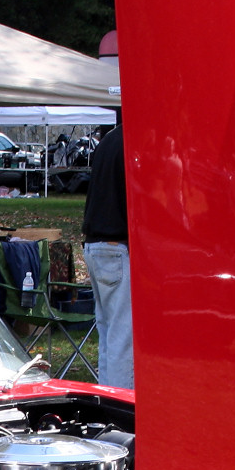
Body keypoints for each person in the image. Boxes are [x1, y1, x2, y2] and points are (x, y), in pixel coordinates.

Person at [81, 116, 131, 388]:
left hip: (96, 244)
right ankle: (122, 407)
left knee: (109, 332)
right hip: (116, 244)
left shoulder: (110, 140)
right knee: (122, 336)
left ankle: (109, 397)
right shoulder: (132, 142)